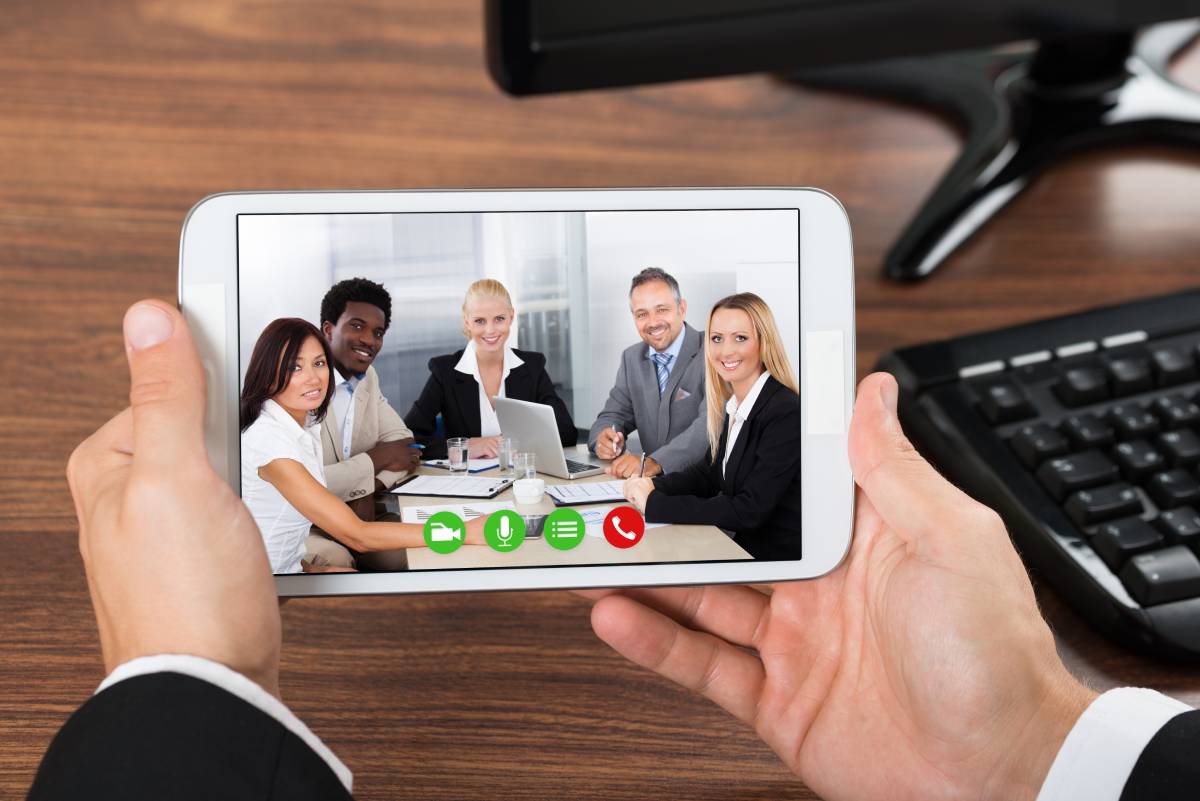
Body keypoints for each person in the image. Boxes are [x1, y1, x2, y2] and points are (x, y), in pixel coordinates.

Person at [37, 299, 1200, 800]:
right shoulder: (352, 408)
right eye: (306, 360)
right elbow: (372, 485)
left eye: (716, 335)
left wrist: (182, 675)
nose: (319, 370)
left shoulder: (702, 388)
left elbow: (667, 450)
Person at [240, 317, 485, 574]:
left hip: (290, 572)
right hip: (261, 588)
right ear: (267, 376)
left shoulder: (302, 424)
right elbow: (358, 535)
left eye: (319, 363)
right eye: (295, 368)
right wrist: (464, 531)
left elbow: (279, 534)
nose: (313, 378)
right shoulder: (270, 442)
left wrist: (315, 571)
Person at [622, 292, 802, 560]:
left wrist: (656, 504)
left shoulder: (783, 410)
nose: (725, 350)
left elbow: (748, 510)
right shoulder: (736, 405)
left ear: (764, 343)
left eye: (740, 338)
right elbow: (710, 475)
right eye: (716, 339)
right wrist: (652, 485)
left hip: (773, 563)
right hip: (740, 549)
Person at [309, 278, 421, 571]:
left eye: (378, 332)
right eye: (356, 326)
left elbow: (405, 445)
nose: (369, 340)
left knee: (423, 553)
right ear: (329, 329)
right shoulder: (299, 381)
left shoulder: (367, 378)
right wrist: (377, 458)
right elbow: (300, 482)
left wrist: (368, 486)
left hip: (362, 515)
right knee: (335, 562)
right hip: (305, 523)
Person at [405, 278, 576, 459]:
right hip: (467, 482)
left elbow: (566, 433)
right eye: (479, 321)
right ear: (467, 322)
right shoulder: (445, 372)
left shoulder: (531, 367)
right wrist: (466, 447)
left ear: (511, 317)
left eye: (499, 319)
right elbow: (409, 438)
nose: (490, 330)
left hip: (518, 478)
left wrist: (511, 443)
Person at [588, 267, 708, 479]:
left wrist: (656, 462)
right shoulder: (632, 358)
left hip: (705, 487)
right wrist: (603, 438)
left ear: (682, 307)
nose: (653, 322)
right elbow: (613, 415)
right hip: (650, 489)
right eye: (642, 314)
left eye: (661, 310)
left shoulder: (712, 351)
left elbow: (709, 426)